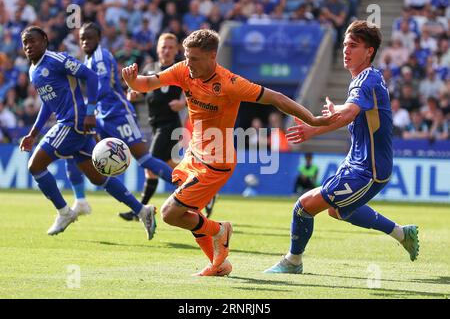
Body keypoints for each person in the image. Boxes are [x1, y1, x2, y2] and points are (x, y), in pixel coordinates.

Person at [122, 29, 338, 276]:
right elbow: (148, 82)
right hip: (194, 155)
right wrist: (133, 82)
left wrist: (311, 119)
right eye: (187, 56)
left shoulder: (229, 83)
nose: (188, 63)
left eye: (194, 58)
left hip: (216, 164)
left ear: (212, 56)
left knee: (171, 214)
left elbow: (276, 98)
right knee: (189, 214)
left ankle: (219, 230)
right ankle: (219, 264)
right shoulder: (183, 69)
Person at [264, 21, 420, 275]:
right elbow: (348, 116)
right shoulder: (366, 78)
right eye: (345, 45)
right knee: (337, 212)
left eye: (353, 46)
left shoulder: (365, 81)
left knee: (304, 206)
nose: (346, 51)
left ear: (369, 51)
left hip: (368, 170)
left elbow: (348, 113)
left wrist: (333, 114)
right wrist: (316, 129)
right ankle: (402, 233)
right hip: (356, 163)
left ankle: (293, 261)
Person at [19, 26, 156, 238]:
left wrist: (91, 111)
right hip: (74, 124)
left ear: (45, 40)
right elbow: (48, 104)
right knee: (97, 177)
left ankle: (65, 212)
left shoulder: (56, 59)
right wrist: (33, 133)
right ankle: (142, 210)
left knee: (35, 166)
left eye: (33, 41)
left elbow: (91, 77)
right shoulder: (33, 70)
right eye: (25, 43)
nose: (29, 46)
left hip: (73, 122)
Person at [64, 22, 174, 226]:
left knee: (144, 159)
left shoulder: (100, 57)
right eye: (82, 38)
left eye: (89, 37)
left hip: (118, 113)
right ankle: (82, 199)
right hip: (101, 116)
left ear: (99, 39)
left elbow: (103, 88)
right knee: (75, 148)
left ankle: (184, 186)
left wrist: (88, 110)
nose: (85, 41)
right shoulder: (88, 59)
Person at [119, 33, 217, 221]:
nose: (167, 50)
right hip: (155, 124)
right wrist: (134, 95)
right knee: (168, 166)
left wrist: (183, 104)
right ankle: (204, 190)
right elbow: (140, 91)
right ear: (157, 49)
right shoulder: (150, 69)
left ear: (177, 50)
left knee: (151, 164)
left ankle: (138, 210)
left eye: (171, 47)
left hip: (170, 125)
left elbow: (199, 94)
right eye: (164, 47)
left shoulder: (183, 69)